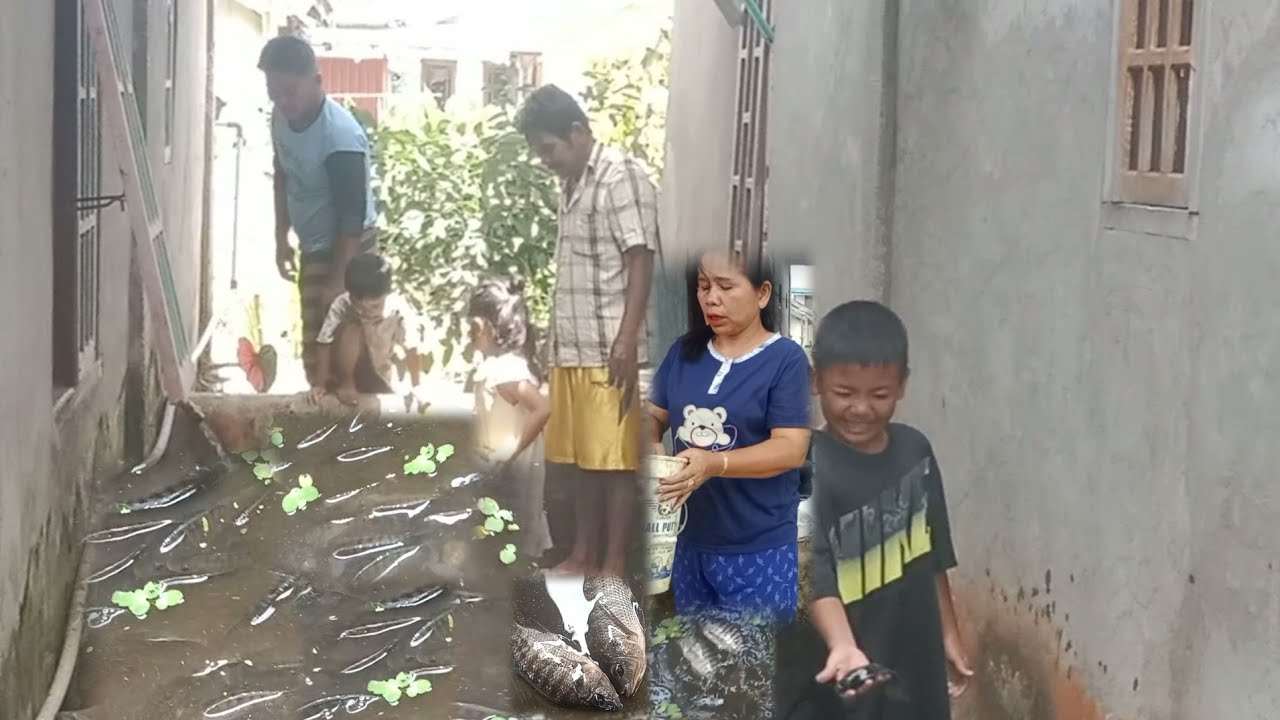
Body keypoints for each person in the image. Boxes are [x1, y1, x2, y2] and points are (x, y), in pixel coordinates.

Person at [780, 300, 973, 720]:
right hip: (835, 670)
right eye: (844, 393)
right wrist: (844, 645)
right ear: (816, 381)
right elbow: (811, 567)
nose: (861, 408)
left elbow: (932, 554)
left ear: (902, 385)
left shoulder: (915, 452)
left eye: (880, 394)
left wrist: (950, 636)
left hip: (911, 660)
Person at [516, 84, 658, 578]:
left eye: (550, 149)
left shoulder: (621, 176)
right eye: (539, 153)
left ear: (578, 133)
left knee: (613, 462)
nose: (546, 160)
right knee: (581, 461)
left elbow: (640, 258)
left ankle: (613, 562)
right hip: (572, 349)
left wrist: (625, 338)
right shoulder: (569, 184)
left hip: (607, 348)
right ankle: (582, 554)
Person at [645, 250, 812, 621]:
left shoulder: (786, 360)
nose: (710, 298)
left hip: (757, 547)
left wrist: (714, 463)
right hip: (688, 541)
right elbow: (652, 418)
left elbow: (791, 449)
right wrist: (652, 449)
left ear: (762, 293)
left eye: (725, 286)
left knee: (756, 666)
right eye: (704, 286)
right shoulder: (683, 353)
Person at [259, 35, 379, 387]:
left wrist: (339, 279)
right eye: (273, 90)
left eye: (290, 91)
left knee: (350, 348)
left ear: (317, 82)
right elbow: (282, 174)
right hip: (315, 246)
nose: (282, 100)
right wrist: (281, 237)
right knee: (316, 343)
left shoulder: (340, 137)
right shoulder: (280, 118)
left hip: (351, 248)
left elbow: (351, 220)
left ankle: (357, 425)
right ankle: (321, 412)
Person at [468, 277, 554, 560]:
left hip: (514, 462)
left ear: (483, 327)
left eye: (472, 328)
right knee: (503, 522)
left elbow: (542, 408)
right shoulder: (499, 366)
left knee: (511, 520)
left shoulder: (504, 371)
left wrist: (511, 453)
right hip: (505, 458)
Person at [310, 253, 425, 407]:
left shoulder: (398, 311)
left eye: (375, 306)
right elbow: (324, 342)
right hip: (345, 370)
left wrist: (417, 386)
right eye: (357, 304)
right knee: (352, 328)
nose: (364, 311)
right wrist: (319, 384)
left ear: (386, 295)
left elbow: (412, 348)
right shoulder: (342, 304)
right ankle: (347, 384)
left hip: (379, 375)